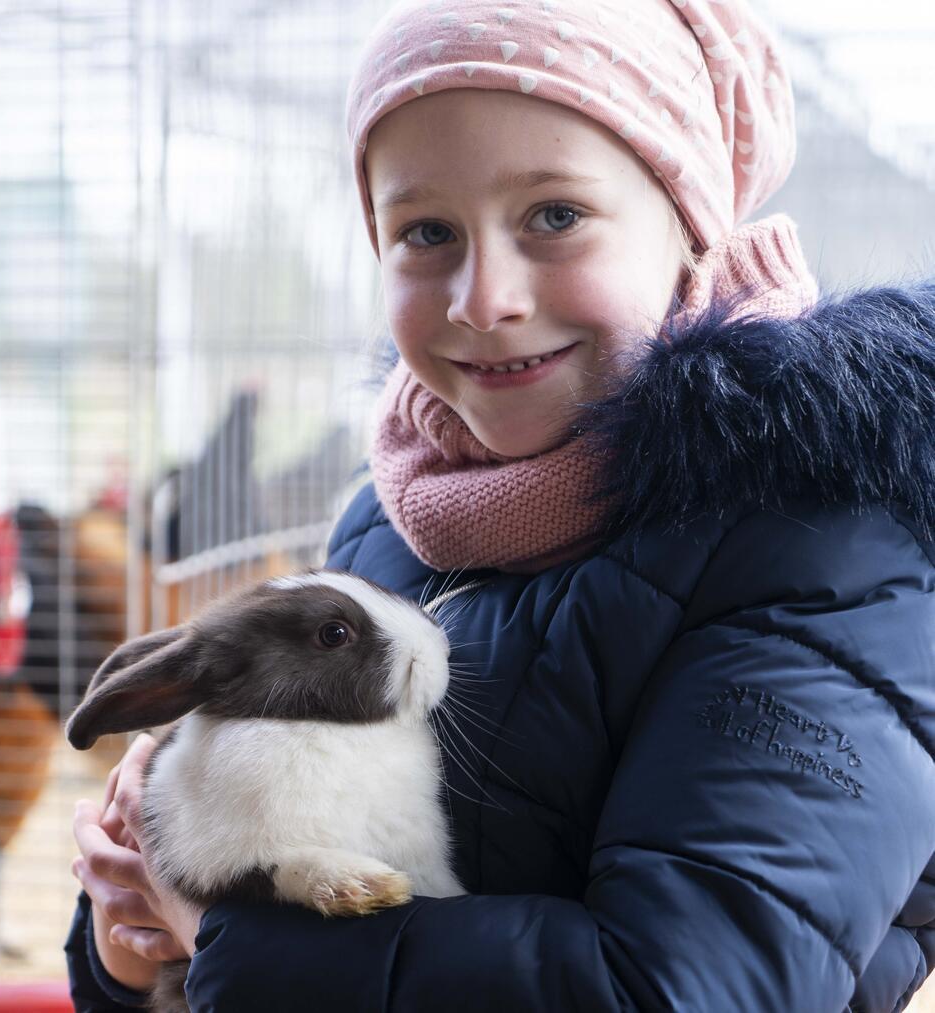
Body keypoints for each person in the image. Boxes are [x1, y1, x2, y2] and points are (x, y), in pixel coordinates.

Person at [65, 0, 935, 1008]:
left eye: (555, 215)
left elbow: (686, 987)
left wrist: (220, 939)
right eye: (426, 230)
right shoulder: (394, 518)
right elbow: (262, 891)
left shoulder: (826, 550)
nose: (484, 298)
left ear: (690, 220)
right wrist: (130, 940)